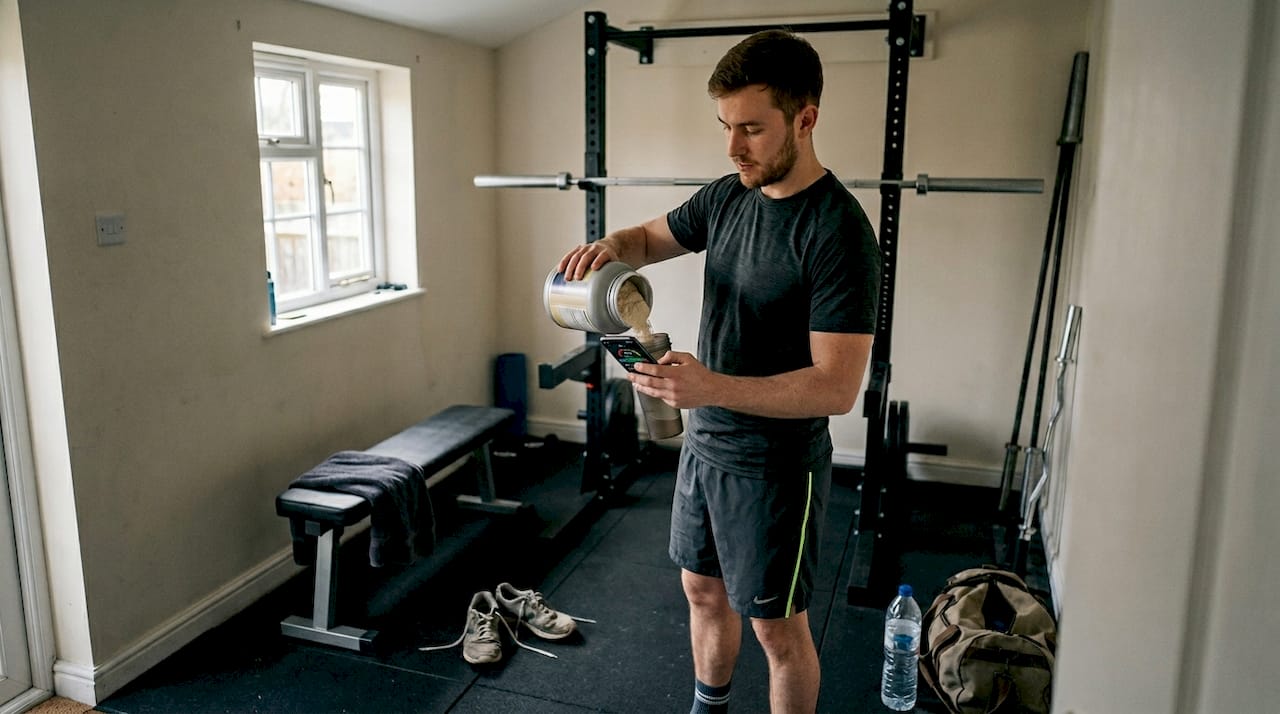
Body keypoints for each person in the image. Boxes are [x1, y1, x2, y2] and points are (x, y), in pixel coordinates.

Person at [557, 29, 880, 714]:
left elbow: (836, 387)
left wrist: (710, 387)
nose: (734, 147)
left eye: (753, 129)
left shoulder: (837, 233)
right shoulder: (728, 196)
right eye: (726, 127)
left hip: (776, 467)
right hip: (706, 450)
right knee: (701, 590)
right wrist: (611, 246)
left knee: (777, 629)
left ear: (805, 119)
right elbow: (647, 239)